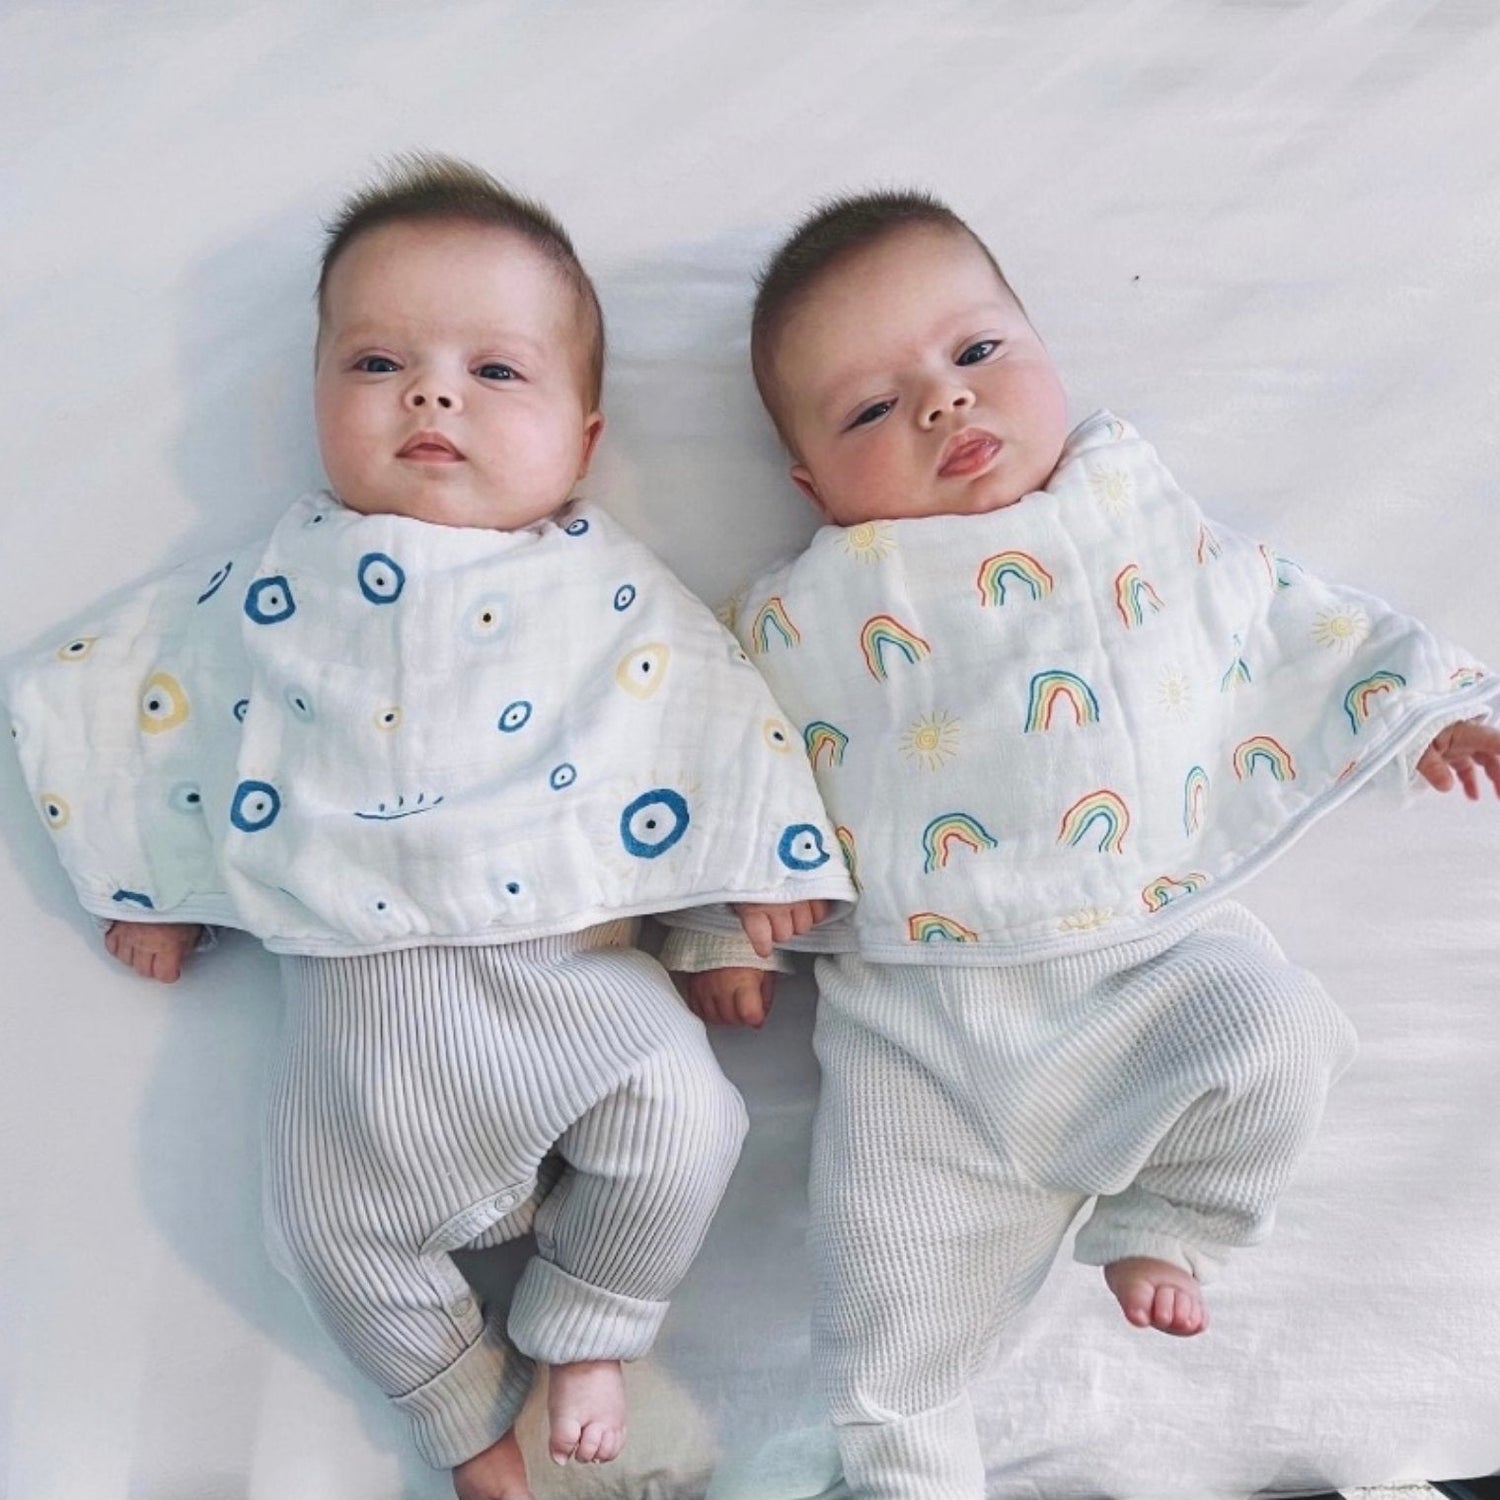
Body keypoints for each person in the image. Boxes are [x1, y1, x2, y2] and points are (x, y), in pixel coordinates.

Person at [5, 156, 849, 1500]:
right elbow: (157, 695)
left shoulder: (610, 594)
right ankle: (464, 1429)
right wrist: (153, 875)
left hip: (577, 1003)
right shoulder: (278, 585)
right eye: (376, 362)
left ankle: (591, 1328)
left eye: (494, 371)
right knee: (321, 1238)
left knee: (692, 1120)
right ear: (315, 397)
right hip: (359, 1052)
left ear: (583, 437)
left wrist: (712, 925)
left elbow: (687, 743)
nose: (432, 395)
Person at [663, 190, 1500, 1499]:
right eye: (872, 408)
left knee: (1284, 1036)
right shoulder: (800, 611)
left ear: (1046, 352)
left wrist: (1418, 706)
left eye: (975, 352)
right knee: (880, 1320)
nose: (942, 402)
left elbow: (1272, 608)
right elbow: (719, 761)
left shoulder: (1127, 515)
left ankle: (1169, 1213)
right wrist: (723, 921)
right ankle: (909, 1477)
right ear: (812, 485)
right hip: (919, 1043)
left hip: (1148, 972)